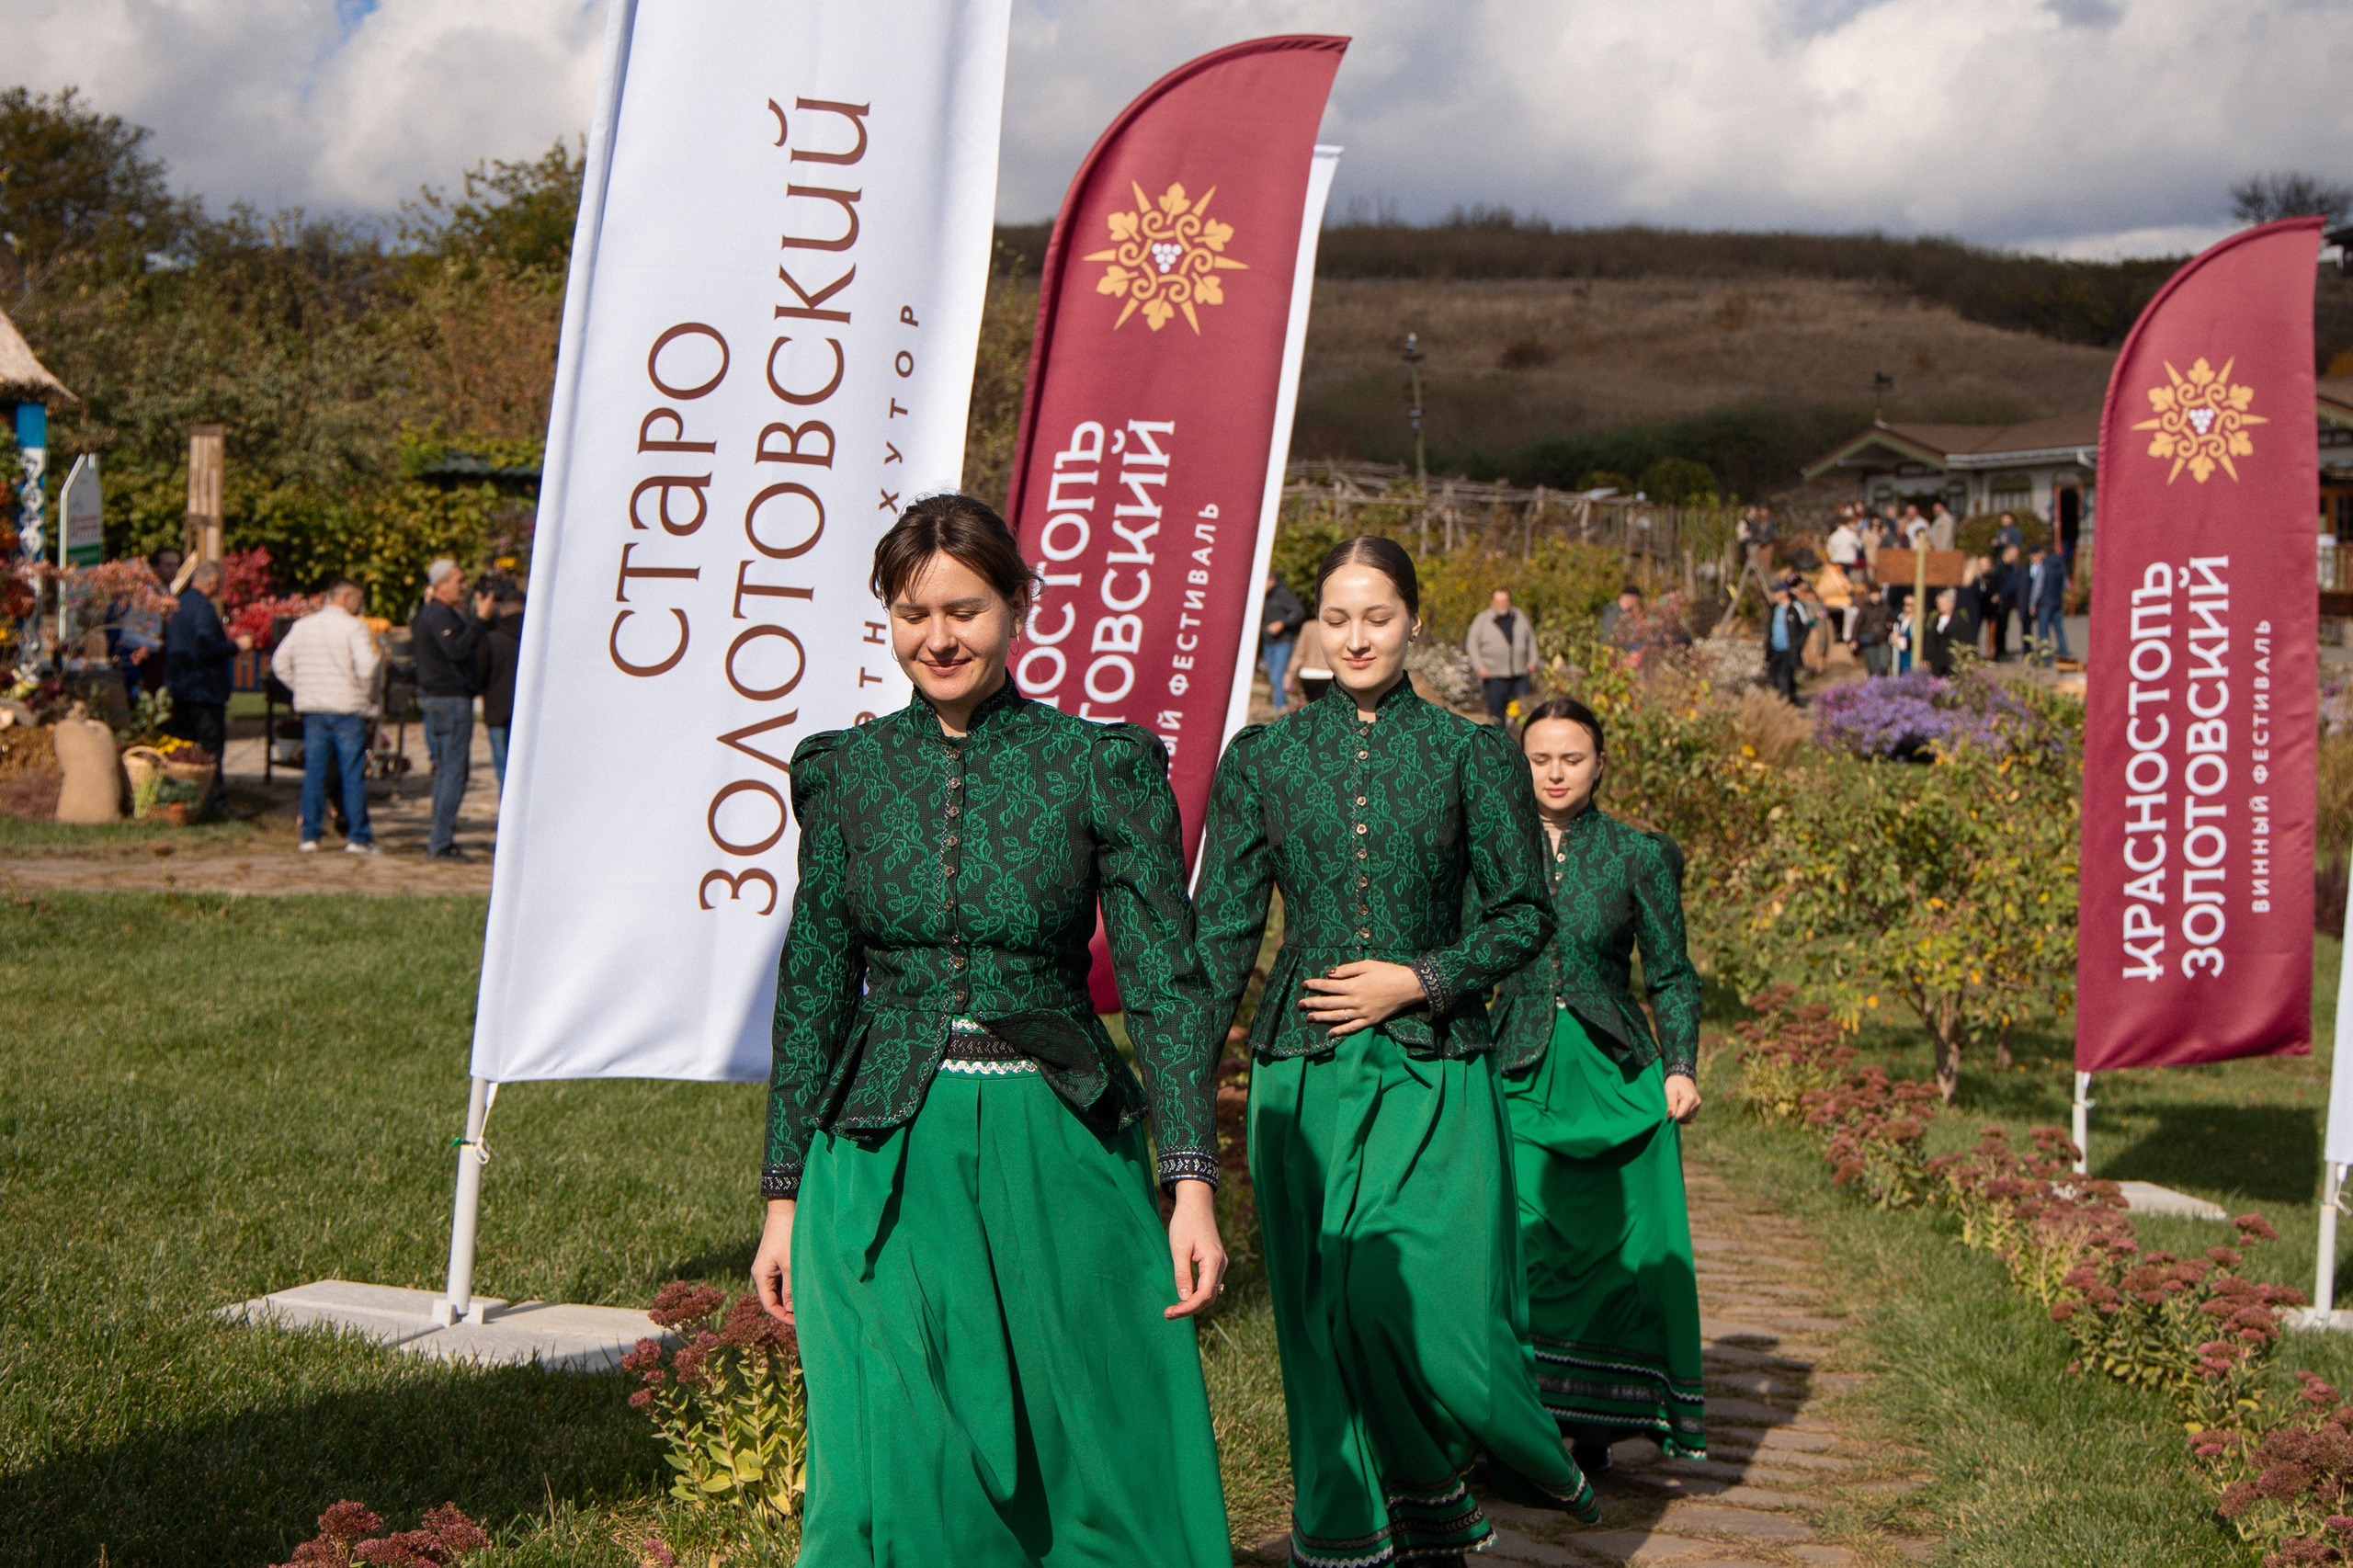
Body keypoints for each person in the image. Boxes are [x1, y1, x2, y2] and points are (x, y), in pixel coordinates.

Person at [752, 494, 1231, 1568]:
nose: (939, 638)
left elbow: (1166, 980)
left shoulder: (1097, 765)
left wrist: (1189, 1177)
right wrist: (783, 1193)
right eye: (912, 612)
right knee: (902, 1438)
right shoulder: (847, 773)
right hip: (881, 1145)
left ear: (1018, 604)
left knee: (1094, 1436)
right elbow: (816, 984)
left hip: (1055, 1135)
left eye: (964, 608)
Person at [1194, 536, 1599, 1567]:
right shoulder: (1264, 758)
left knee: (1412, 1306)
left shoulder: (1473, 753)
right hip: (1305, 1071)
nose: (1357, 635)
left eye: (1376, 616)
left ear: (1414, 619)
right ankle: (1366, 1534)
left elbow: (1522, 915)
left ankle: (1519, 1451)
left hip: (1437, 1063)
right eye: (1337, 617)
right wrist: (1177, 1086)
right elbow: (1226, 932)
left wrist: (1417, 977)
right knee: (1326, 1312)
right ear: (1313, 627)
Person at [1497, 697, 1705, 1471]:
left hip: (1614, 1077)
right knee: (1518, 1242)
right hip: (1513, 1065)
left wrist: (1679, 1067)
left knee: (1611, 1252)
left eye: (1572, 758)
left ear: (1600, 764)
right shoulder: (1492, 850)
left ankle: (1591, 1429)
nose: (1555, 772)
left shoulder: (1636, 853)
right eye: (1540, 758)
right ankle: (1518, 1417)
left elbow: (1674, 976)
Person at [269, 577, 381, 852]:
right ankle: (358, 836)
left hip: (315, 709)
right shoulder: (354, 628)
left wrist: (302, 687)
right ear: (345, 598)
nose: (360, 605)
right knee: (352, 773)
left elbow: (279, 662)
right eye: (358, 599)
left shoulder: (303, 626)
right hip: (346, 710)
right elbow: (368, 667)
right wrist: (366, 696)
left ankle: (310, 835)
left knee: (315, 774)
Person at [410, 559, 494, 860]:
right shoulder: (437, 616)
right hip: (449, 699)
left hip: (443, 698)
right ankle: (441, 840)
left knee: (449, 771)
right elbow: (457, 650)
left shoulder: (435, 614)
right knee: (453, 772)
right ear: (441, 584)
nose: (464, 586)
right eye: (458, 580)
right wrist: (480, 620)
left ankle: (441, 835)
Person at [164, 558, 251, 818]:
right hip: (203, 690)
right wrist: (238, 645)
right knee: (211, 750)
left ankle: (186, 800)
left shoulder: (180, 604)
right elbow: (206, 647)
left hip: (181, 687)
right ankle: (215, 804)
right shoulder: (203, 608)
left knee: (186, 749)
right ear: (213, 581)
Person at [1468, 585, 1541, 723]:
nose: (1502, 605)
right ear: (1492, 602)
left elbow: (1531, 638)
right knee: (1497, 717)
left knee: (1524, 713)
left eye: (1505, 601)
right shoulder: (1482, 619)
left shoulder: (1520, 616)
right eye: (1499, 601)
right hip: (1493, 675)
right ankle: (1499, 743)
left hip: (1520, 674)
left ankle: (1521, 742)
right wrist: (1479, 667)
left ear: (1509, 601)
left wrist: (1533, 660)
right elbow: (1472, 644)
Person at [481, 579, 525, 788]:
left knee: (503, 771)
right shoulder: (535, 638)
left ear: (503, 610)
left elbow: (479, 675)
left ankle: (505, 818)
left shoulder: (493, 639)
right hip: (527, 713)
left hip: (498, 711)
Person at [1262, 570, 1307, 715]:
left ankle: (1281, 710)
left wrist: (1283, 623)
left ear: (1272, 580)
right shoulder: (1264, 597)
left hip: (1283, 642)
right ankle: (1280, 707)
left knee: (1278, 676)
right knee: (1273, 677)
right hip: (1268, 643)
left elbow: (1299, 612)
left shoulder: (1282, 594)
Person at [1762, 581, 1807, 703]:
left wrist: (1798, 644)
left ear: (1784, 592)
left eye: (1776, 592)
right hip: (1775, 649)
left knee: (1784, 677)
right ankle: (1788, 700)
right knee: (1773, 678)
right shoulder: (1773, 608)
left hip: (1788, 649)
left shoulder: (1795, 608)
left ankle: (1785, 704)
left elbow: (1805, 627)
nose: (1774, 594)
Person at [2033, 541, 2073, 665]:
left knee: (2044, 631)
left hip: (2045, 602)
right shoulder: (2060, 565)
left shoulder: (2044, 566)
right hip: (2057, 601)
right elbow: (2067, 585)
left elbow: (2038, 587)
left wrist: (2032, 602)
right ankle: (2065, 651)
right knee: (2059, 628)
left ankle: (2046, 657)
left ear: (2045, 553)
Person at [1924, 587, 1971, 676]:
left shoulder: (1959, 619)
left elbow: (1967, 639)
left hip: (1952, 662)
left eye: (1944, 603)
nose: (1941, 606)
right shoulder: (1935, 619)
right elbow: (1930, 640)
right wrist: (1926, 657)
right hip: (1937, 661)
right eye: (1939, 604)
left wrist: (1967, 660)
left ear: (1952, 604)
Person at [1852, 591, 1895, 677]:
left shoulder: (1886, 607)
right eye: (1874, 594)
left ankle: (1883, 684)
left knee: (1884, 664)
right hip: (1869, 641)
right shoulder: (1865, 608)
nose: (1876, 596)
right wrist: (1853, 639)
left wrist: (1890, 628)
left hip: (1883, 639)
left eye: (1877, 594)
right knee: (1872, 667)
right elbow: (1858, 624)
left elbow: (1893, 621)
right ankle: (1874, 686)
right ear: (1870, 595)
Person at [1598, 584, 1646, 651]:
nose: (1638, 602)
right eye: (1637, 599)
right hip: (1611, 653)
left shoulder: (1626, 612)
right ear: (1632, 598)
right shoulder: (1612, 611)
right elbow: (1607, 637)